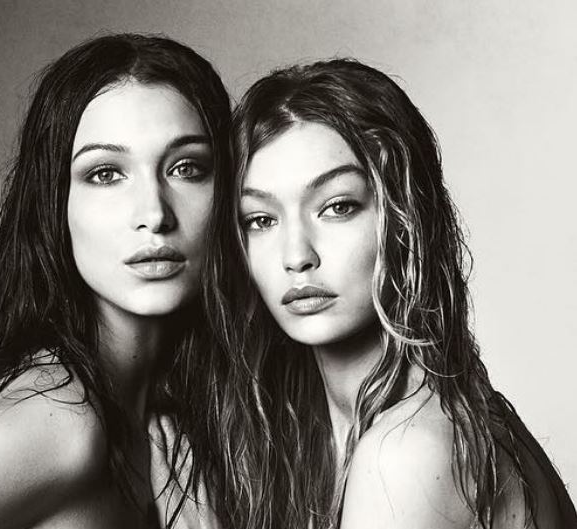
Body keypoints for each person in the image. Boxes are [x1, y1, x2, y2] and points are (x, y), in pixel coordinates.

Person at [208, 59, 577, 528]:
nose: (296, 255)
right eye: (261, 220)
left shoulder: (406, 452)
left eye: (338, 207)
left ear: (403, 220)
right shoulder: (339, 434)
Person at [0, 33, 230, 528]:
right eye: (106, 174)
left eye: (186, 168)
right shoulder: (55, 422)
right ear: (56, 206)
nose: (155, 214)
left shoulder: (174, 422)